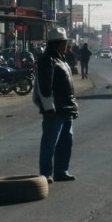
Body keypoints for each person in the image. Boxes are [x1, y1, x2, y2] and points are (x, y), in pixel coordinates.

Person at [34, 27, 79, 183]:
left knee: (66, 141)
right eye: (65, 42)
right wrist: (48, 107)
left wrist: (73, 106)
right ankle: (45, 174)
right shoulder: (48, 60)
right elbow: (44, 88)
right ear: (60, 43)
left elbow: (68, 86)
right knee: (50, 143)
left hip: (66, 108)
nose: (66, 45)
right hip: (54, 110)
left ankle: (61, 171)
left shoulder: (61, 59)